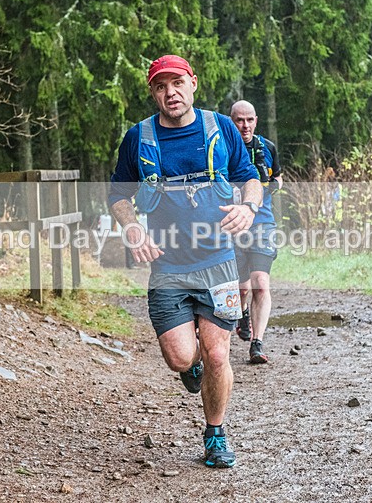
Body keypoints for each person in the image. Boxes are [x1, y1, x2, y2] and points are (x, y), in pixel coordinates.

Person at [108, 55, 261, 468]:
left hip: (218, 263)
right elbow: (118, 195)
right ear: (153, 92)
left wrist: (248, 206)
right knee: (181, 357)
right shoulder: (138, 138)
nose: (169, 93)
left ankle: (215, 435)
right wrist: (132, 229)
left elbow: (249, 177)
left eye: (177, 83)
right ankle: (188, 365)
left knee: (217, 355)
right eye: (160, 86)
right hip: (168, 267)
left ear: (193, 83)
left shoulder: (221, 127)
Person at [229, 100, 283, 364]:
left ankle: (257, 344)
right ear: (232, 122)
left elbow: (279, 177)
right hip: (232, 224)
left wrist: (272, 187)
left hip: (263, 222)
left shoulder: (268, 147)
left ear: (256, 120)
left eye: (249, 120)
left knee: (260, 283)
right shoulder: (224, 148)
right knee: (241, 287)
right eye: (239, 120)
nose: (245, 125)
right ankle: (242, 316)